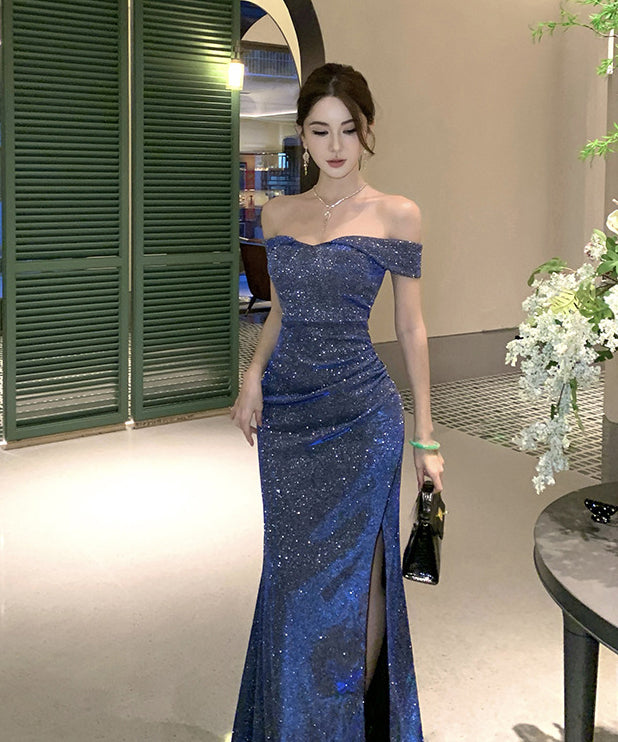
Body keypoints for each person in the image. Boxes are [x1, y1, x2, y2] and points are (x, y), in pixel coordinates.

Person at [230, 62, 444, 741]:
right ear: (302, 134)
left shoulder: (397, 214)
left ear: (367, 129)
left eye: (348, 129)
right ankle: (292, 720)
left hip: (362, 416)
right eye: (320, 130)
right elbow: (282, 309)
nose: (335, 145)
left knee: (360, 581)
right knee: (291, 579)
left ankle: (344, 727)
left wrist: (426, 437)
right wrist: (253, 375)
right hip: (289, 419)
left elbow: (411, 327)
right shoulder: (278, 215)